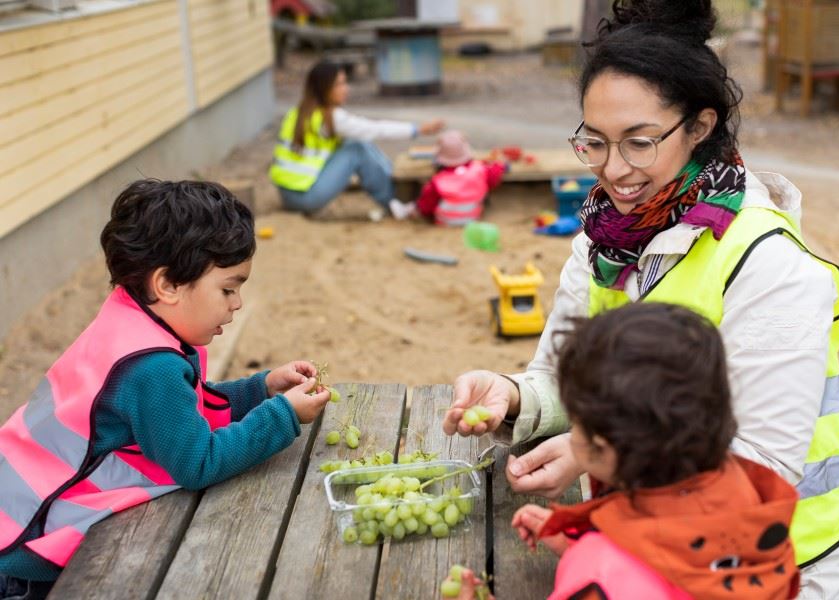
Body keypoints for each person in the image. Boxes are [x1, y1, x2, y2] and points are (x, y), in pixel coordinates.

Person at [442, 1, 839, 597]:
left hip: (770, 570)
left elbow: (763, 463)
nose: (613, 171)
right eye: (595, 143)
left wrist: (592, 453)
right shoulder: (603, 241)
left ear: (700, 126)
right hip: (637, 552)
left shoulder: (769, 266)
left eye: (639, 143)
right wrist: (512, 397)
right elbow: (568, 378)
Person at [0, 180, 332, 599]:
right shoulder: (150, 368)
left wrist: (261, 388)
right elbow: (198, 463)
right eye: (228, 288)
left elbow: (184, 411)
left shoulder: (130, 319)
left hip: (14, 511)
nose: (238, 303)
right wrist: (281, 415)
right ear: (168, 285)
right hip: (26, 556)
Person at [512, 304, 799, 600]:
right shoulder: (744, 494)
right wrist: (582, 539)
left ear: (601, 446)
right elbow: (670, 571)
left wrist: (594, 553)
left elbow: (622, 579)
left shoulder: (598, 572)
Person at [269, 60, 445, 219]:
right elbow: (376, 130)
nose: (346, 89)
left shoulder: (297, 113)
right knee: (357, 149)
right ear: (324, 88)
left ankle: (395, 187)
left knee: (356, 143)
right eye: (339, 84)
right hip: (305, 197)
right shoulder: (331, 118)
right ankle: (395, 201)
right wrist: (417, 129)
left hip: (287, 194)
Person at [391, 129, 506, 225]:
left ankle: (406, 210)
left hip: (445, 221)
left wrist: (420, 208)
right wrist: (501, 164)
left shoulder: (438, 181)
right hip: (473, 217)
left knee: (423, 203)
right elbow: (494, 175)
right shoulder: (479, 169)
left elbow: (426, 207)